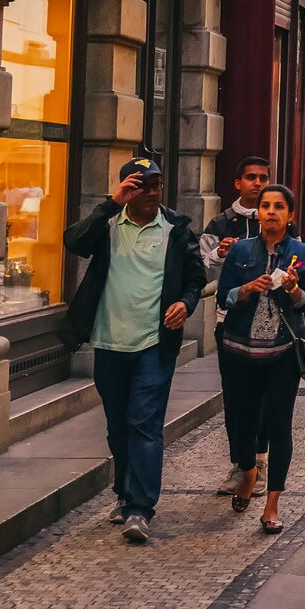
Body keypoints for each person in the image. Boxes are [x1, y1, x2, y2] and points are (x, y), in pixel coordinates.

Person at [59, 157, 204, 544]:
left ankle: (140, 508)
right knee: (119, 426)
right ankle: (125, 494)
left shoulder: (176, 229)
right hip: (109, 343)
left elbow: (196, 277)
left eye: (157, 186)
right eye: (143, 186)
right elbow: (73, 242)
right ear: (126, 189)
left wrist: (185, 304)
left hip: (154, 345)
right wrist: (111, 202)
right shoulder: (107, 226)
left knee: (144, 423)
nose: (153, 193)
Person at [217, 184, 305, 533]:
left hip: (282, 354)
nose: (271, 212)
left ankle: (272, 504)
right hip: (239, 351)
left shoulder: (302, 254)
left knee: (279, 426)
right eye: (265, 206)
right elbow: (223, 297)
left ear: (289, 214)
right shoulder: (241, 251)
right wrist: (246, 289)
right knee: (241, 423)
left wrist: (293, 289)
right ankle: (247, 471)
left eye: (279, 206)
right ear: (257, 213)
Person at [202, 155, 271, 494]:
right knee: (235, 397)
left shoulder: (276, 219)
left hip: (270, 326)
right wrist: (219, 256)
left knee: (264, 398)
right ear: (238, 183)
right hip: (229, 323)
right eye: (251, 178)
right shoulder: (220, 223)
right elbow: (202, 272)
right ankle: (240, 465)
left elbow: (295, 264)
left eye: (263, 178)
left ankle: (257, 462)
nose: (257, 183)